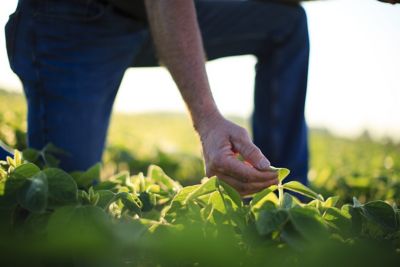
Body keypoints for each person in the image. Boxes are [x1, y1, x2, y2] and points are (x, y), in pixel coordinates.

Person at [2, 0, 395, 196]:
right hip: (75, 18)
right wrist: (207, 118)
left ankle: (280, 193)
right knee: (62, 193)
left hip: (149, 16)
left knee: (284, 21)